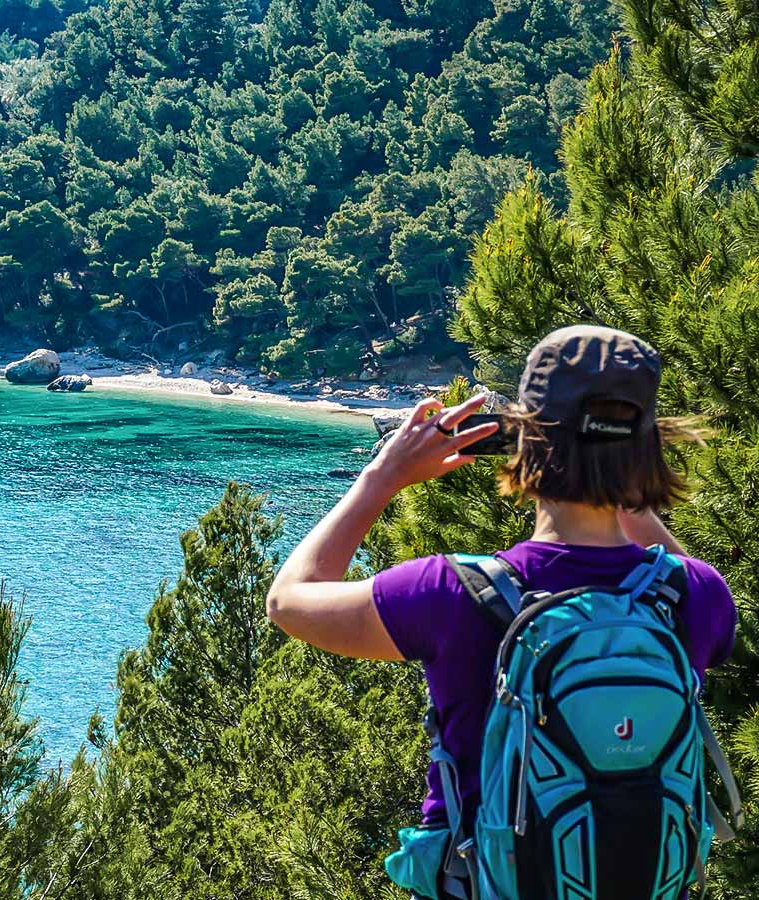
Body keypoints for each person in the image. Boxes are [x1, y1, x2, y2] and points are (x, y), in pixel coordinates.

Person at [265, 325, 738, 900]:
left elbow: (289, 600)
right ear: (648, 448)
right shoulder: (694, 594)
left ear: (527, 441)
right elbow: (683, 582)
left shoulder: (453, 591)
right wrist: (621, 475)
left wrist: (382, 477)